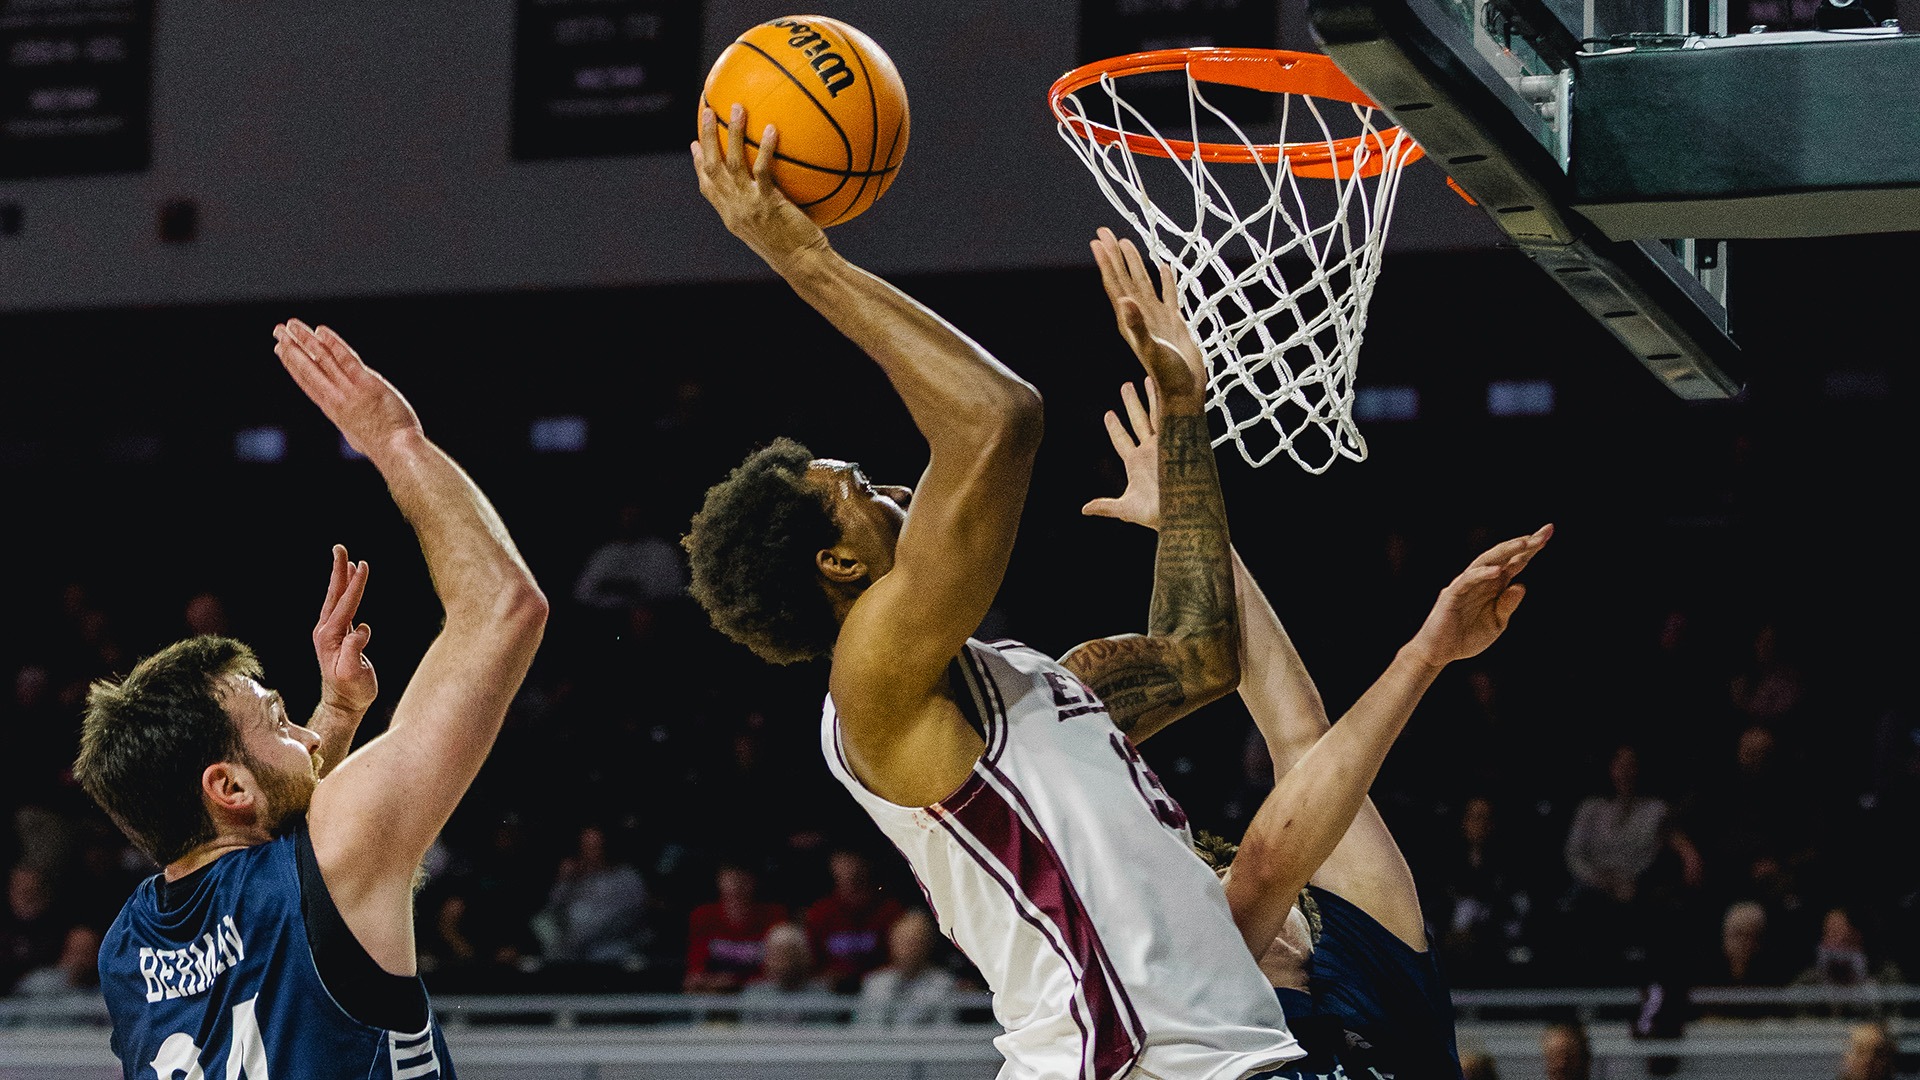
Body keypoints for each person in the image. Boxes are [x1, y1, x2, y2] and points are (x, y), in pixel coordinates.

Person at [683, 103, 1298, 1079]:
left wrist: (1183, 417)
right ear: (839, 568)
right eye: (859, 492)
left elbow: (1202, 656)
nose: (889, 488)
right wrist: (806, 260)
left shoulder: (1032, 686)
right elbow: (996, 419)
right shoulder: (871, 693)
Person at [77, 321, 549, 1078]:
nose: (303, 729)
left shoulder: (128, 948)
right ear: (226, 786)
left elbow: (268, 871)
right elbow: (504, 608)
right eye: (277, 720)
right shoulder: (334, 853)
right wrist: (394, 440)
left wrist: (335, 717)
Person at [1080, 375, 1549, 1080]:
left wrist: (1186, 523)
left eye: (1214, 890)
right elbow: (1267, 856)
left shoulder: (1361, 934)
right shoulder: (1196, 995)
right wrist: (1424, 655)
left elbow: (1299, 736)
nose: (1217, 915)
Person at [803, 848, 904, 994]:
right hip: (829, 990)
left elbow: (897, 960)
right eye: (843, 861)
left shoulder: (889, 910)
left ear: (866, 865)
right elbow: (811, 961)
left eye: (854, 861)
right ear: (833, 866)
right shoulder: (820, 911)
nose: (851, 869)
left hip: (878, 989)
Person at [856, 909, 964, 1028]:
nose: (907, 949)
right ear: (891, 943)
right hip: (876, 1046)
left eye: (914, 942)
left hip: (924, 1046)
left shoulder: (943, 985)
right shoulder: (875, 983)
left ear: (928, 944)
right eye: (901, 941)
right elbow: (860, 1030)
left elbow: (946, 1033)